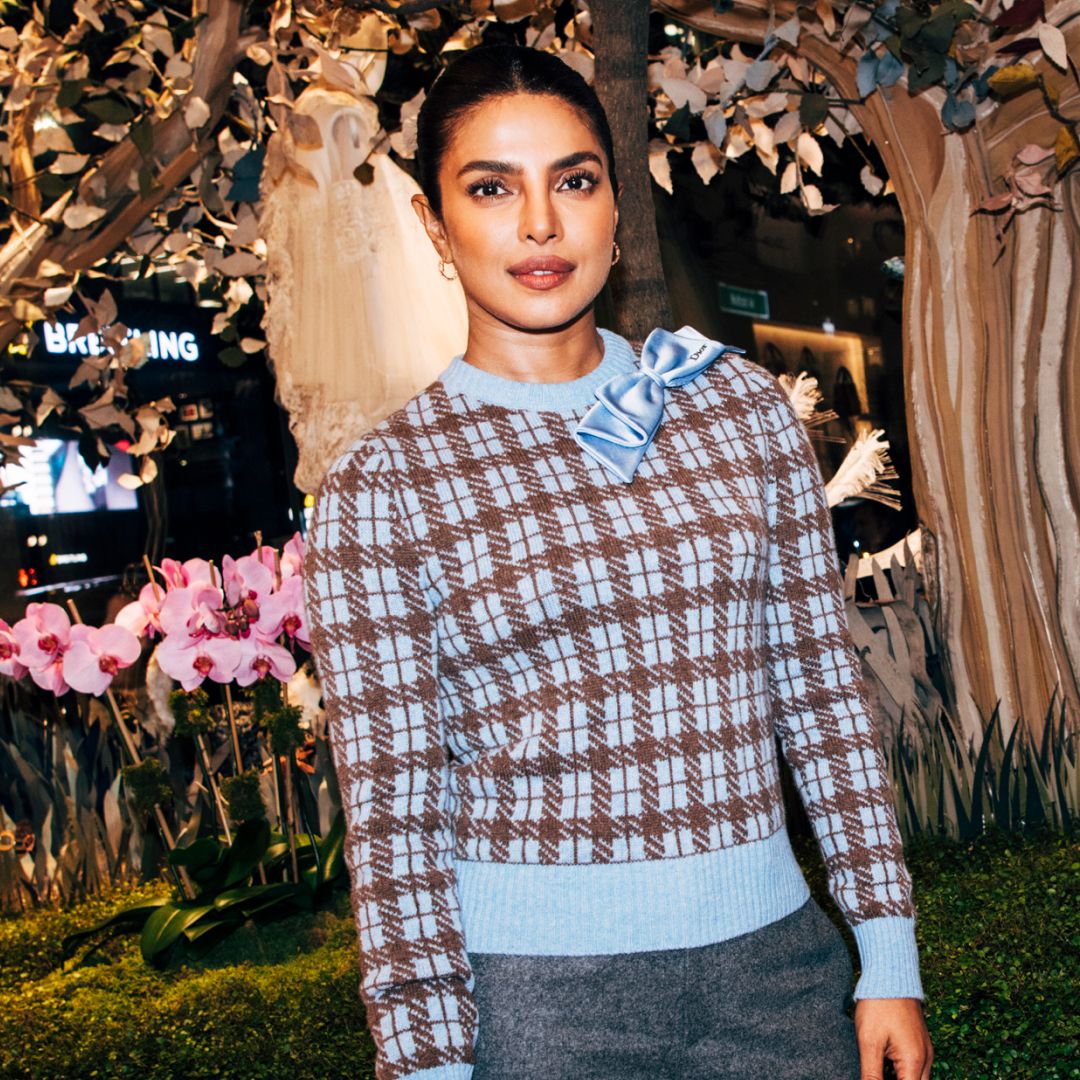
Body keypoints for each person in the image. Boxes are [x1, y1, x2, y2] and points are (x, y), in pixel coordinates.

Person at [303, 44, 934, 1080]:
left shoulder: (735, 411)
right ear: (433, 224)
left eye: (575, 181)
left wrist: (886, 954)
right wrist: (424, 1061)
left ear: (613, 198)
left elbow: (822, 695)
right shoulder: (385, 486)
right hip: (538, 1010)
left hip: (779, 977)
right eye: (492, 188)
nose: (540, 224)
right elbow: (392, 815)